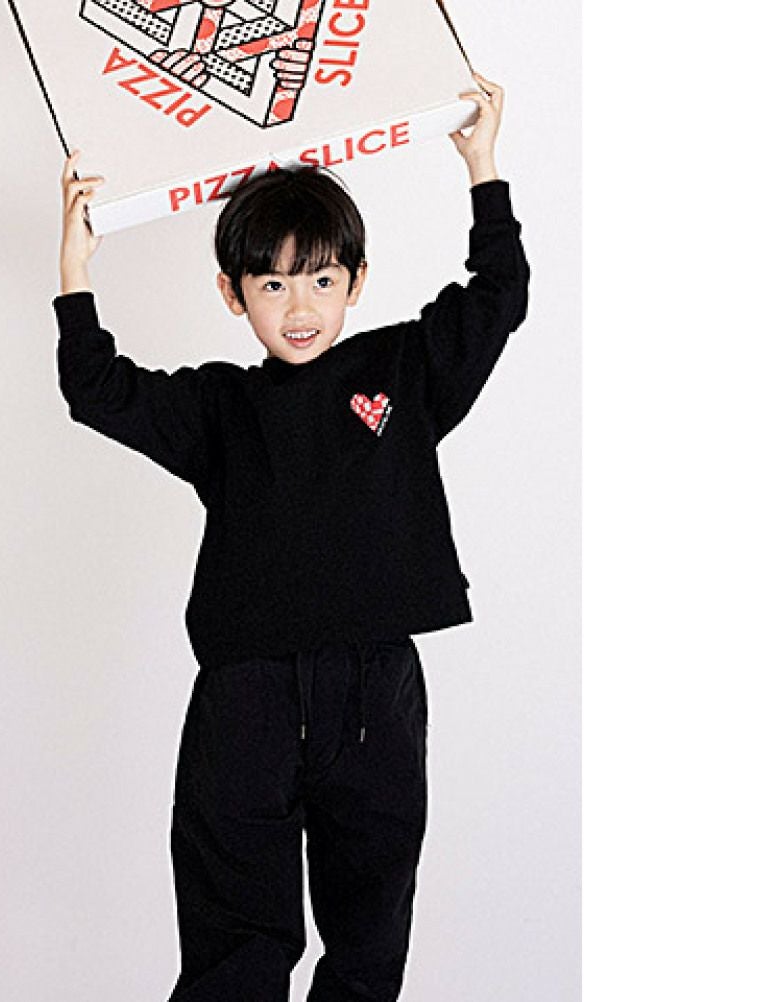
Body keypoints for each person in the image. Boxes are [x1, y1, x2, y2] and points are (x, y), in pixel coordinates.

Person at [54, 72, 529, 1002]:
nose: (299, 305)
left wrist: (482, 167)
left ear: (356, 281)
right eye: (271, 283)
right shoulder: (219, 409)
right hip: (247, 699)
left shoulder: (404, 372)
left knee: (369, 931)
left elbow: (498, 296)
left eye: (320, 279)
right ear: (233, 295)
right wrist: (76, 268)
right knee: (234, 943)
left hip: (372, 691)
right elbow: (97, 389)